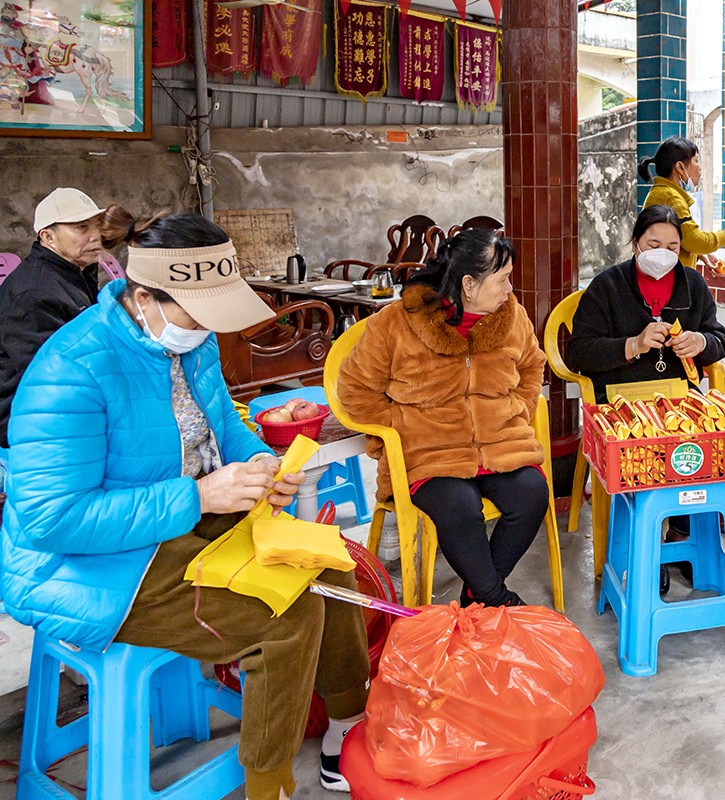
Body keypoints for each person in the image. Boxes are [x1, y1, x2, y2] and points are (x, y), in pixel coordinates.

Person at [0, 212, 370, 800]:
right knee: (286, 617)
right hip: (88, 565)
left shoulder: (191, 343)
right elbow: (54, 520)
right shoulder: (71, 370)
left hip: (178, 523)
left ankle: (348, 725)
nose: (208, 328)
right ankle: (269, 783)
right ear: (144, 298)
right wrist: (197, 495)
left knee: (328, 563)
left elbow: (224, 423)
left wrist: (260, 465)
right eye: (199, 314)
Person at [338, 228, 548, 609]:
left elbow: (533, 366)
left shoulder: (511, 317)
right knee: (460, 507)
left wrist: (517, 408)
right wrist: (399, 428)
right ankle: (495, 598)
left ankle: (478, 596)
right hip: (430, 452)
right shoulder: (397, 323)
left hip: (500, 442)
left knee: (531, 494)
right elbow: (354, 389)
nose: (510, 289)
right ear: (468, 284)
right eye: (502, 279)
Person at [566, 204, 725, 594]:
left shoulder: (693, 285)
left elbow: (719, 340)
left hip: (679, 402)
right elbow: (579, 352)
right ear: (636, 242)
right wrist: (632, 345)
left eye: (672, 247)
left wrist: (700, 342)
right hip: (623, 403)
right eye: (654, 244)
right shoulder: (607, 286)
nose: (663, 254)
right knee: (644, 458)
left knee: (699, 453)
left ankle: (684, 536)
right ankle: (642, 549)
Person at [0, 187, 108, 495]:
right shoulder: (34, 292)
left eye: (97, 225)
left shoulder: (75, 273)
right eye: (81, 227)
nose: (96, 236)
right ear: (48, 237)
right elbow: (48, 380)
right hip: (25, 419)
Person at [640, 136, 725, 272]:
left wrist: (700, 253)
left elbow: (682, 239)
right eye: (696, 161)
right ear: (680, 167)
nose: (699, 168)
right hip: (668, 279)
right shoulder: (671, 197)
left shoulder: (663, 193)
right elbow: (694, 240)